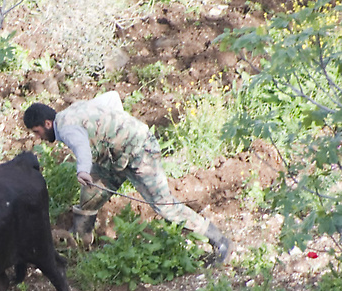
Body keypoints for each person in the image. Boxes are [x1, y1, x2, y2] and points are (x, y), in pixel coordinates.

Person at [23, 91, 234, 264]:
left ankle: (218, 240)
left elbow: (81, 147)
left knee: (165, 205)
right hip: (116, 157)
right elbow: (111, 98)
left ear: (47, 124)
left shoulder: (67, 128)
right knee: (89, 196)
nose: (38, 137)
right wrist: (118, 130)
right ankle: (80, 243)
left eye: (37, 131)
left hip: (140, 151)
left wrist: (83, 170)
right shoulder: (74, 110)